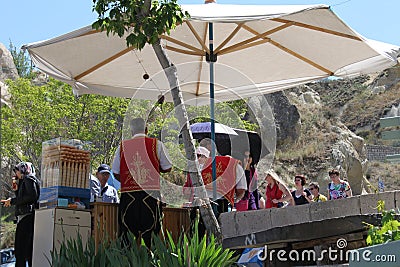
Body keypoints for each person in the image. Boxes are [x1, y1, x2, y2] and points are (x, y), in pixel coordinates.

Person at [112, 118, 172, 248]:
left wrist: (129, 182)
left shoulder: (122, 146)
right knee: (151, 236)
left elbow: (116, 172)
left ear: (131, 130)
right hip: (150, 196)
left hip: (129, 197)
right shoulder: (157, 144)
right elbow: (168, 167)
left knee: (126, 237)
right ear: (146, 129)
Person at [1, 162, 40, 267]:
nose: (16, 174)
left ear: (23, 170)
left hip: (26, 217)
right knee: (25, 251)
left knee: (20, 251)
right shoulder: (26, 180)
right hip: (26, 217)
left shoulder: (29, 179)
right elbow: (24, 198)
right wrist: (16, 191)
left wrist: (12, 201)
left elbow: (31, 197)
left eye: (17, 171)